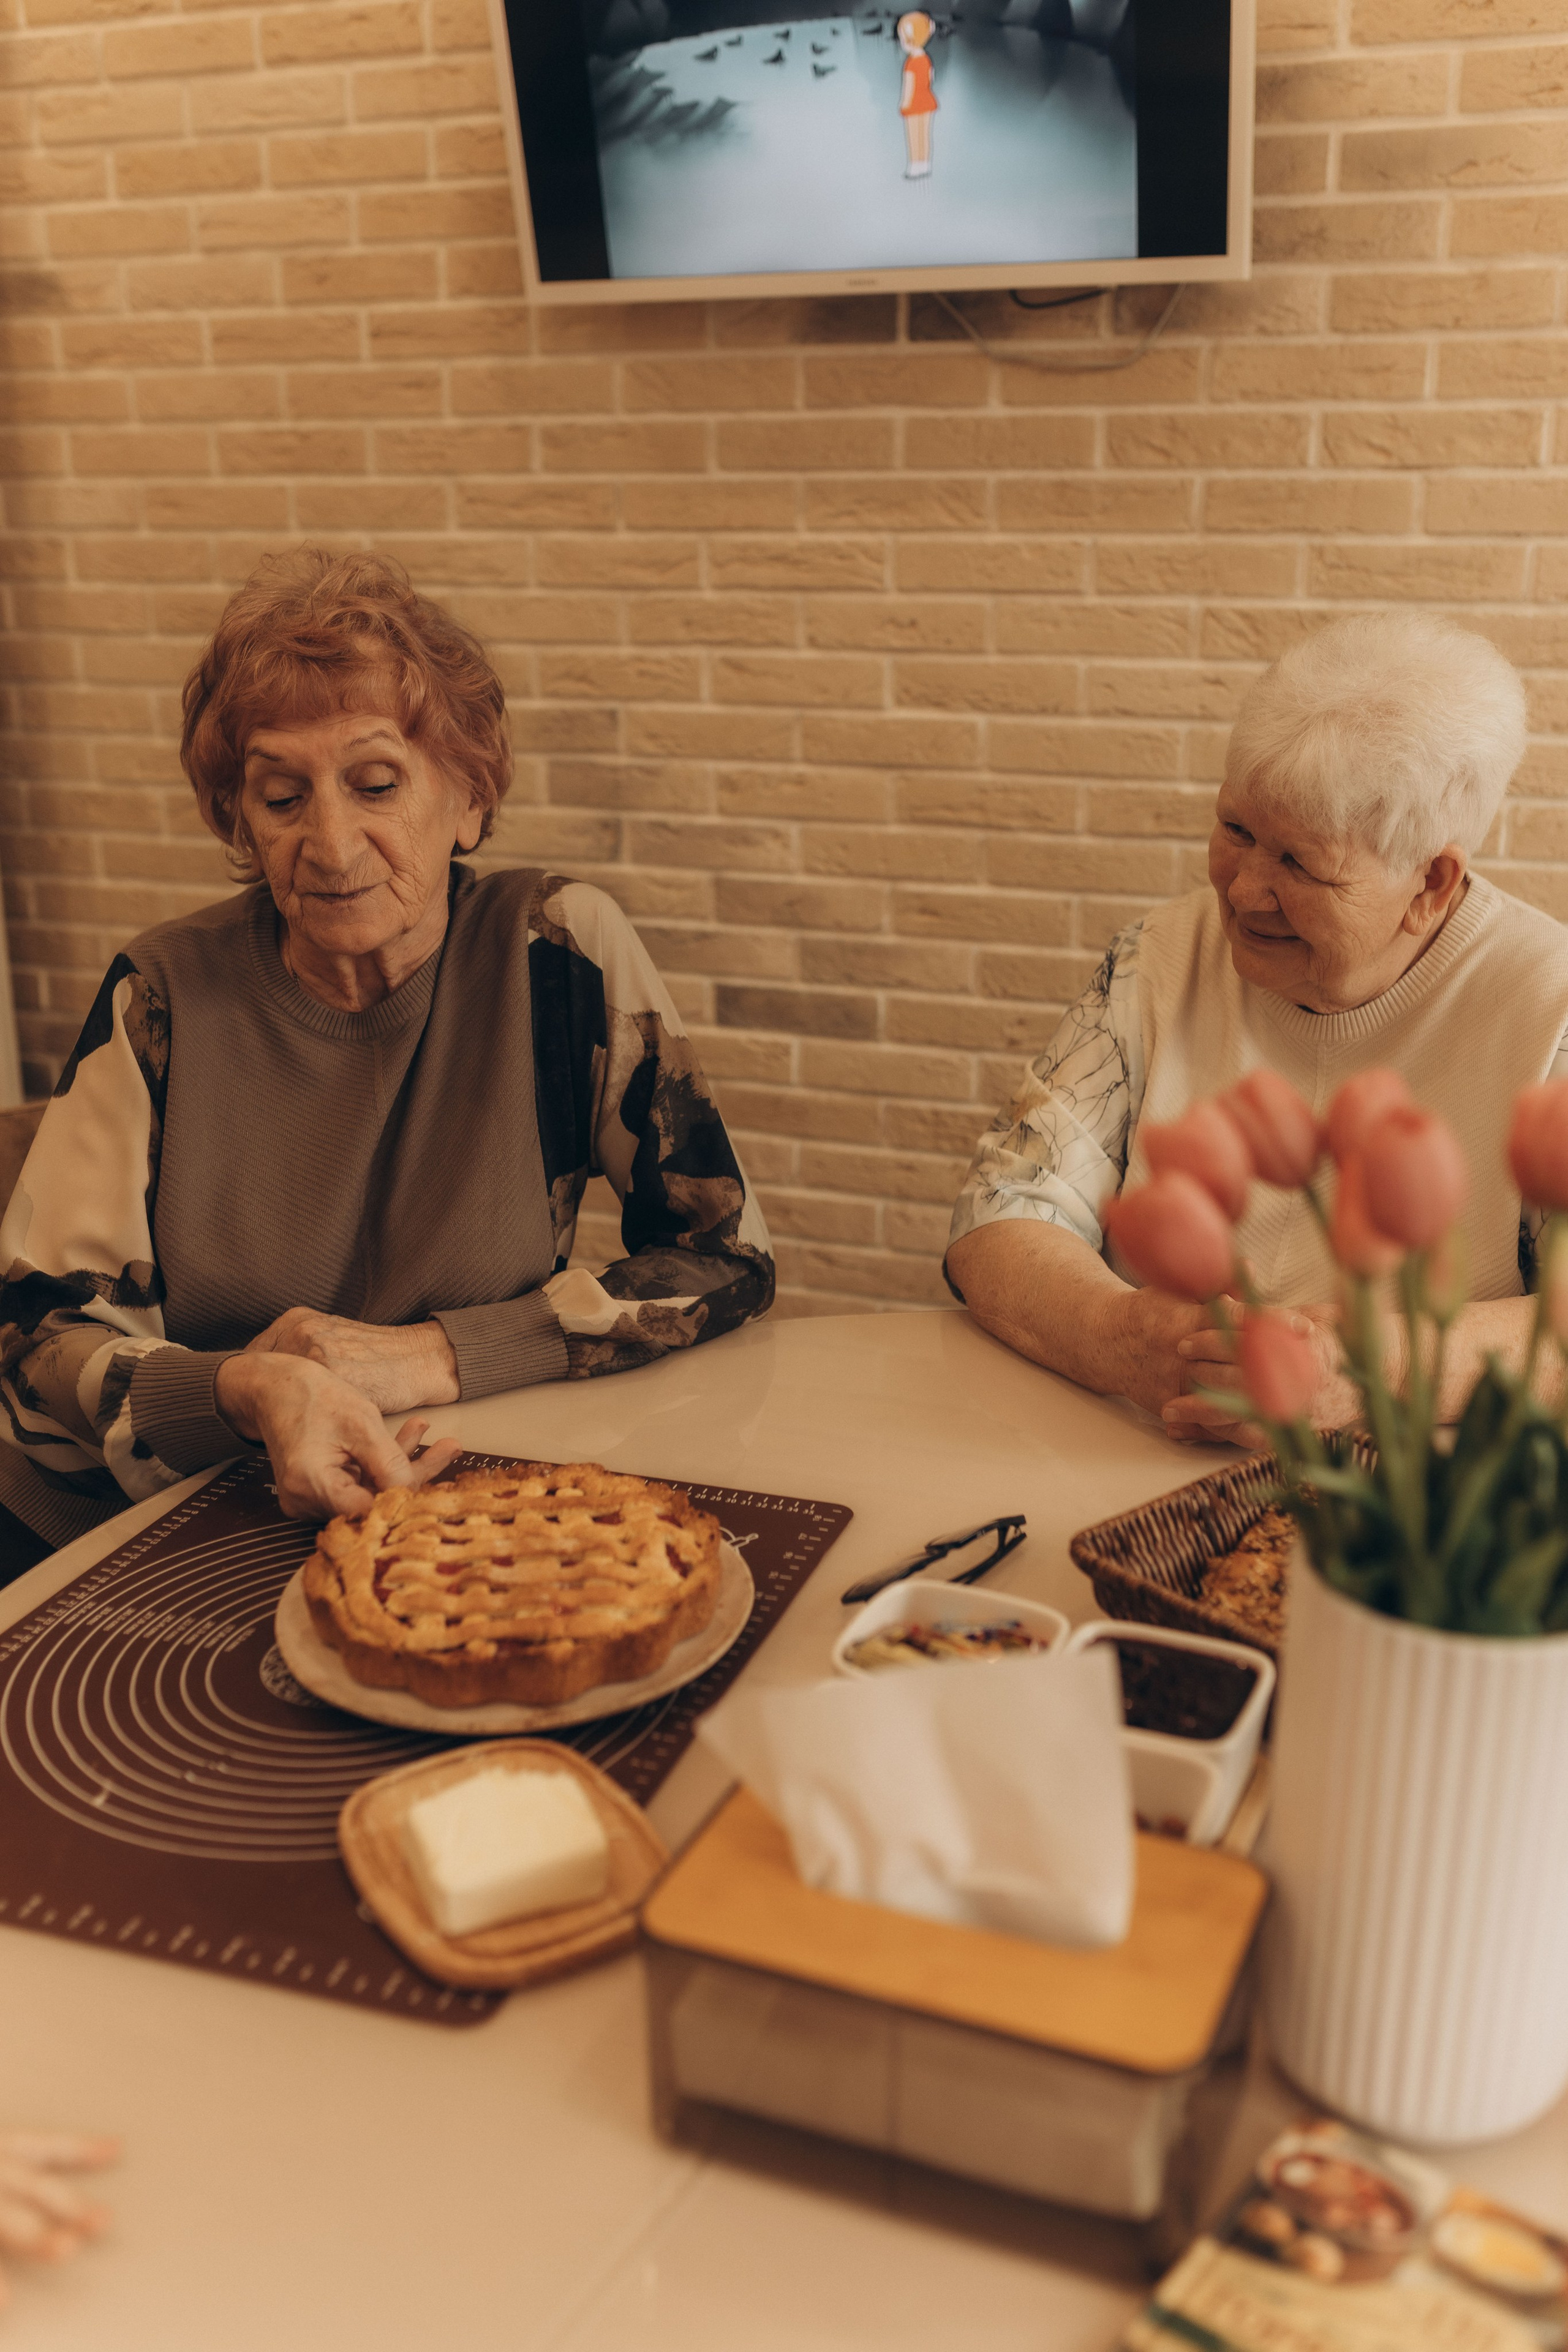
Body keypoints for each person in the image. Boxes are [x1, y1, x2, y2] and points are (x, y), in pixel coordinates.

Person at [0, 550, 774, 1566]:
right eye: (282, 798)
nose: (329, 842)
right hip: (175, 1519)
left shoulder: (555, 954)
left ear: (469, 801)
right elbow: (35, 1343)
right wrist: (243, 1388)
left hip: (454, 1492)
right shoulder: (162, 995)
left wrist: (441, 1355)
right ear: (242, 820)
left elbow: (725, 1256)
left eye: (374, 784)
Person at [946, 611, 1568, 1444]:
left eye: (1301, 864)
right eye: (1237, 830)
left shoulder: (1548, 1007)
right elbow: (998, 1215)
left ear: (1432, 883)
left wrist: (1373, 1369)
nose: (1242, 893)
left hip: (1417, 1520)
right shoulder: (1156, 960)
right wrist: (1123, 1339)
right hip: (1135, 1472)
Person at [897, 11, 938, 179]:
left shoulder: (910, 64)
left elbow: (909, 86)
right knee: (925, 135)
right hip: (928, 101)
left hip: (914, 105)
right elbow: (930, 78)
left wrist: (904, 105)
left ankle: (915, 167)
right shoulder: (926, 60)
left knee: (914, 136)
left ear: (908, 40)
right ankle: (925, 165)